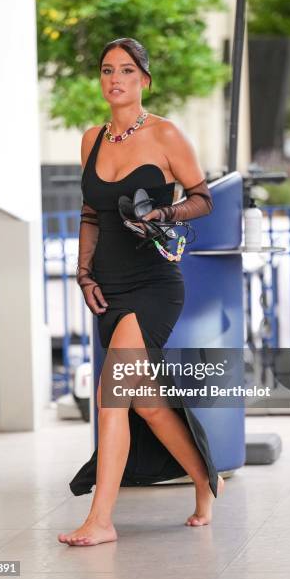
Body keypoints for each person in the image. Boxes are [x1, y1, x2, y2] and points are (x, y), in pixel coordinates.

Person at [58, 37, 224, 548]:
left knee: (112, 397)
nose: (116, 79)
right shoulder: (91, 139)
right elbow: (91, 213)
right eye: (108, 70)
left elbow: (202, 199)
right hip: (108, 285)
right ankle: (204, 482)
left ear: (144, 80)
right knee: (147, 404)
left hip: (154, 283)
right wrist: (84, 274)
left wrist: (165, 214)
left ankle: (101, 520)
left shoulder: (166, 135)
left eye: (127, 71)